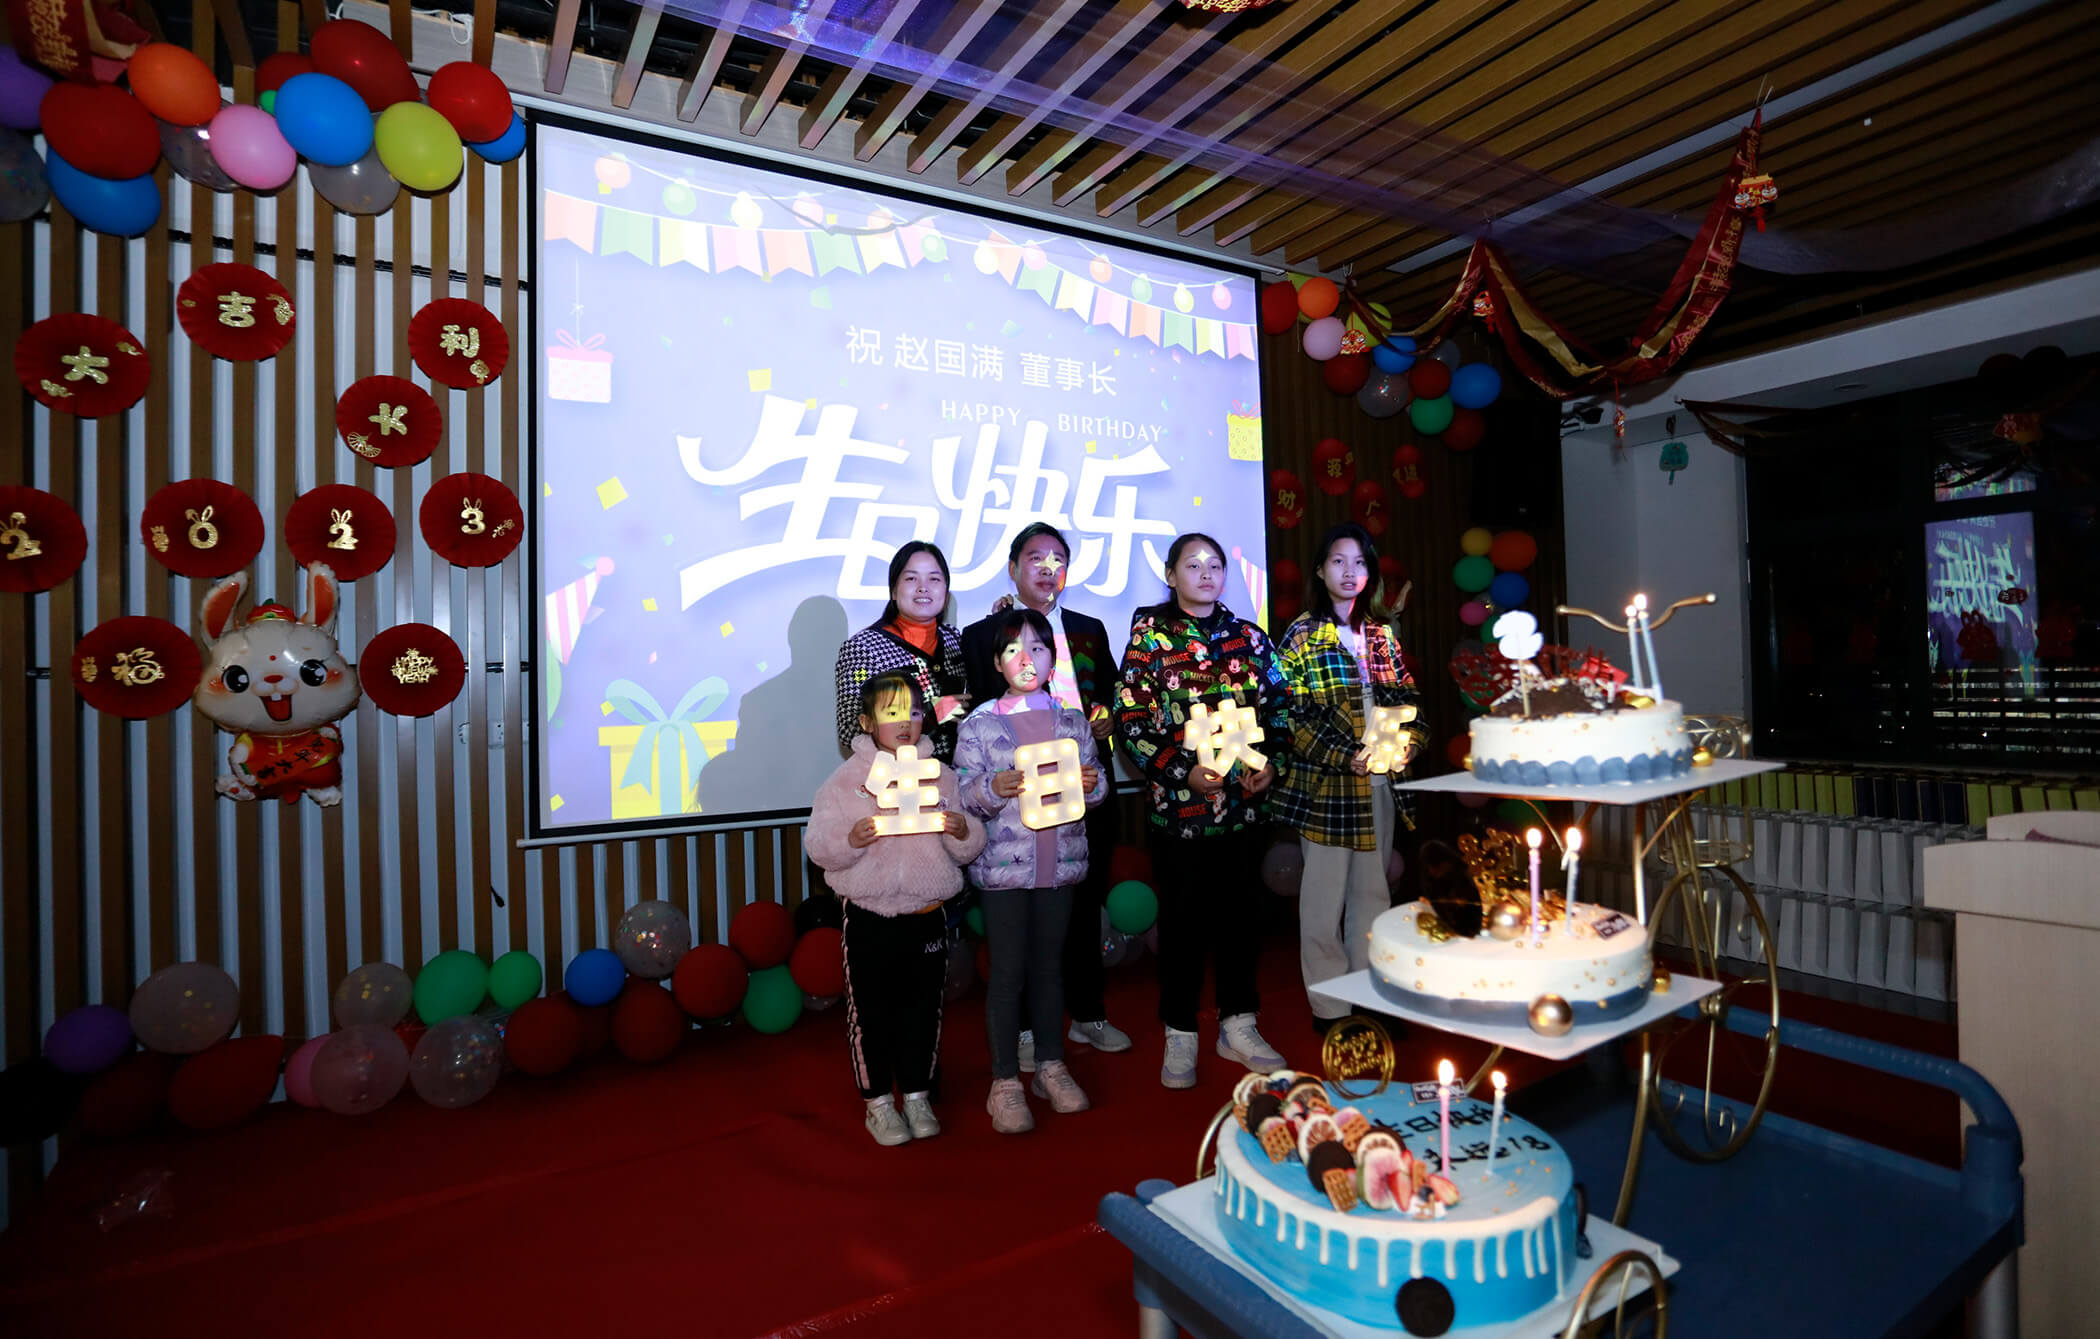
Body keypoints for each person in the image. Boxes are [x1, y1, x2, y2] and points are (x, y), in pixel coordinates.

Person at [1115, 532, 1290, 1089]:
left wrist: (1272, 764)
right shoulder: (1150, 641)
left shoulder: (1250, 638)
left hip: (1243, 813)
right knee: (1182, 925)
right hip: (1179, 815)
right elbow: (1130, 723)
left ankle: (1239, 1023)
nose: (1206, 574)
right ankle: (1180, 1029)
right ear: (1171, 576)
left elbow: (1280, 710)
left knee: (1241, 920)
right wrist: (1178, 771)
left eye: (1215, 565)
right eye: (1193, 565)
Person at [960, 522, 1131, 1068]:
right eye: (1035, 557)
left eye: (1059, 558)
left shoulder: (1088, 628)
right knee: (1017, 938)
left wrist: (1107, 719)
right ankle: (1027, 1033)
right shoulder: (984, 634)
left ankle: (1088, 1014)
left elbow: (1111, 692)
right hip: (1013, 807)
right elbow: (975, 710)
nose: (1048, 567)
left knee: (1083, 906)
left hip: (1083, 787)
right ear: (1013, 568)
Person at [805, 672, 986, 1147]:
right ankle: (880, 1103)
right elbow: (819, 847)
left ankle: (918, 1095)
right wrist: (850, 840)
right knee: (871, 1014)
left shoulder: (941, 775)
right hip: (869, 915)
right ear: (867, 722)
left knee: (924, 1010)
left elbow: (968, 846)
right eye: (891, 713)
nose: (905, 722)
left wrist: (963, 832)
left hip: (927, 913)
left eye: (914, 711)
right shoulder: (846, 781)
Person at [955, 608, 1109, 1133]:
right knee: (1007, 974)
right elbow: (963, 794)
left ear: (1052, 659)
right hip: (1004, 874)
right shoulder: (979, 725)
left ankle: (1050, 1065)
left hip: (1060, 868)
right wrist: (989, 789)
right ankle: (1004, 1082)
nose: (1027, 659)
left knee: (1049, 969)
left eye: (1038, 648)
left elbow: (1097, 785)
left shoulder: (1071, 721)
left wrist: (1093, 785)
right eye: (1013, 650)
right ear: (997, 663)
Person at [1272, 523, 1427, 1033]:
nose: (1349, 571)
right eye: (1338, 561)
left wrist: (1411, 743)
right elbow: (1289, 715)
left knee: (1373, 898)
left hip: (1381, 784)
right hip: (1327, 789)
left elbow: (1408, 702)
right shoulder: (1301, 634)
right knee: (1323, 906)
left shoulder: (1381, 634)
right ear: (1320, 570)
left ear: (1370, 573)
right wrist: (1344, 756)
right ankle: (1331, 1009)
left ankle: (1371, 998)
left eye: (1359, 562)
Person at [834, 542, 970, 763]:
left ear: (946, 592)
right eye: (911, 578)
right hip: (903, 777)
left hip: (964, 774)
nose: (923, 587)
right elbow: (850, 731)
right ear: (894, 591)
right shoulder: (864, 648)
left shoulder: (955, 638)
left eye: (934, 579)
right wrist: (929, 715)